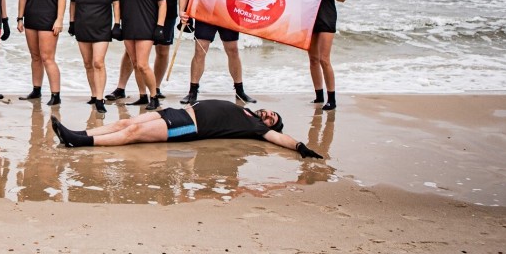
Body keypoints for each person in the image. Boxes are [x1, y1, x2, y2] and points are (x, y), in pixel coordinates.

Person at [50, 99, 323, 160]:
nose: (269, 116)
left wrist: (300, 147)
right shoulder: (247, 110)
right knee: (126, 122)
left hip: (188, 126)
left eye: (273, 119)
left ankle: (81, 143)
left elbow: (279, 138)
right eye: (272, 113)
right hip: (178, 112)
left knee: (132, 135)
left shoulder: (255, 127)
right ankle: (79, 134)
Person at [286, 0, 346, 111]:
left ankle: (331, 98)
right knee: (312, 59)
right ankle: (319, 96)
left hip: (326, 18)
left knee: (324, 59)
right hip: (307, 20)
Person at [68, 0, 120, 113]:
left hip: (102, 28)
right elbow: (73, 3)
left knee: (98, 62)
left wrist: (117, 24)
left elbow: (116, 3)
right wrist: (71, 22)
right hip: (82, 26)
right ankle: (93, 94)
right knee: (88, 64)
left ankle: (100, 98)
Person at [17, 0, 68, 105]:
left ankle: (56, 95)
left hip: (49, 21)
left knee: (48, 58)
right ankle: (36, 90)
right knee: (35, 57)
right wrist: (19, 18)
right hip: (31, 19)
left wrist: (59, 19)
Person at [117, 0, 168, 110]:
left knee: (143, 64)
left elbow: (162, 3)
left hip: (147, 26)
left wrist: (160, 26)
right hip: (129, 26)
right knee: (134, 62)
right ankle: (142, 96)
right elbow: (117, 3)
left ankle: (154, 96)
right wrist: (117, 24)